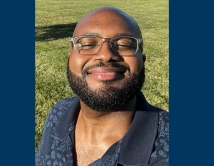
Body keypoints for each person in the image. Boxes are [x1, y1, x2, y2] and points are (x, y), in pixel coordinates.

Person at [36, 6, 169, 166]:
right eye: (88, 44)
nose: (106, 55)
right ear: (70, 58)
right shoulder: (59, 112)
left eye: (124, 44)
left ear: (142, 61)